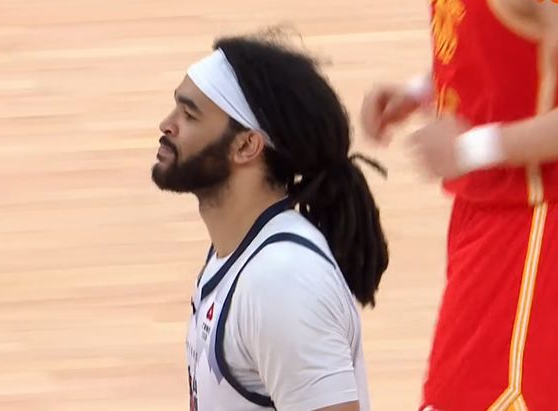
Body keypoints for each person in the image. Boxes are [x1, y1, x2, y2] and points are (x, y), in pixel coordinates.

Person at [360, 1, 558, 410]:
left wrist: (472, 148)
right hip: (491, 207)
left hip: (538, 219)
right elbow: (504, 43)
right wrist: (422, 90)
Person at [152, 30, 389, 411]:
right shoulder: (236, 255)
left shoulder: (282, 280)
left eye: (189, 114)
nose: (167, 125)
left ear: (246, 145)